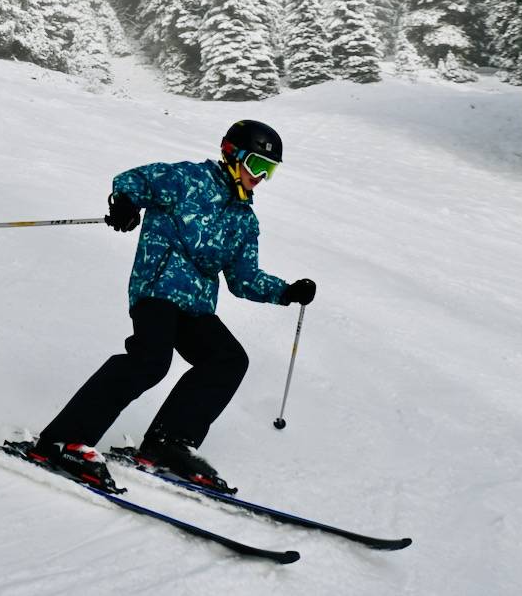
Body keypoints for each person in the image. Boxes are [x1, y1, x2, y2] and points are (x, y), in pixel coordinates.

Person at [28, 120, 316, 492]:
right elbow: (133, 180)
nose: (261, 177)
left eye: (270, 170)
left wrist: (287, 291)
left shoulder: (245, 221)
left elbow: (243, 279)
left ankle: (168, 443)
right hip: (157, 291)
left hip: (196, 308)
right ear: (232, 154)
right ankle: (62, 441)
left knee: (228, 359)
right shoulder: (187, 179)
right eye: (257, 165)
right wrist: (126, 205)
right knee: (151, 360)